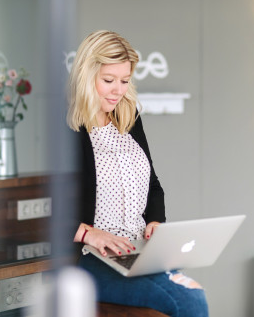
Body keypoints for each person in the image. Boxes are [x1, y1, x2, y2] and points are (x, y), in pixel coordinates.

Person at [66, 30, 209, 317]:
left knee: (192, 292)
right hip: (93, 258)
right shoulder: (68, 128)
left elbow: (152, 184)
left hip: (140, 251)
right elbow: (45, 204)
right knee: (187, 301)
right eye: (108, 80)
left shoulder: (128, 118)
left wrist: (155, 221)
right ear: (86, 75)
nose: (118, 90)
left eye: (125, 80)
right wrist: (87, 233)